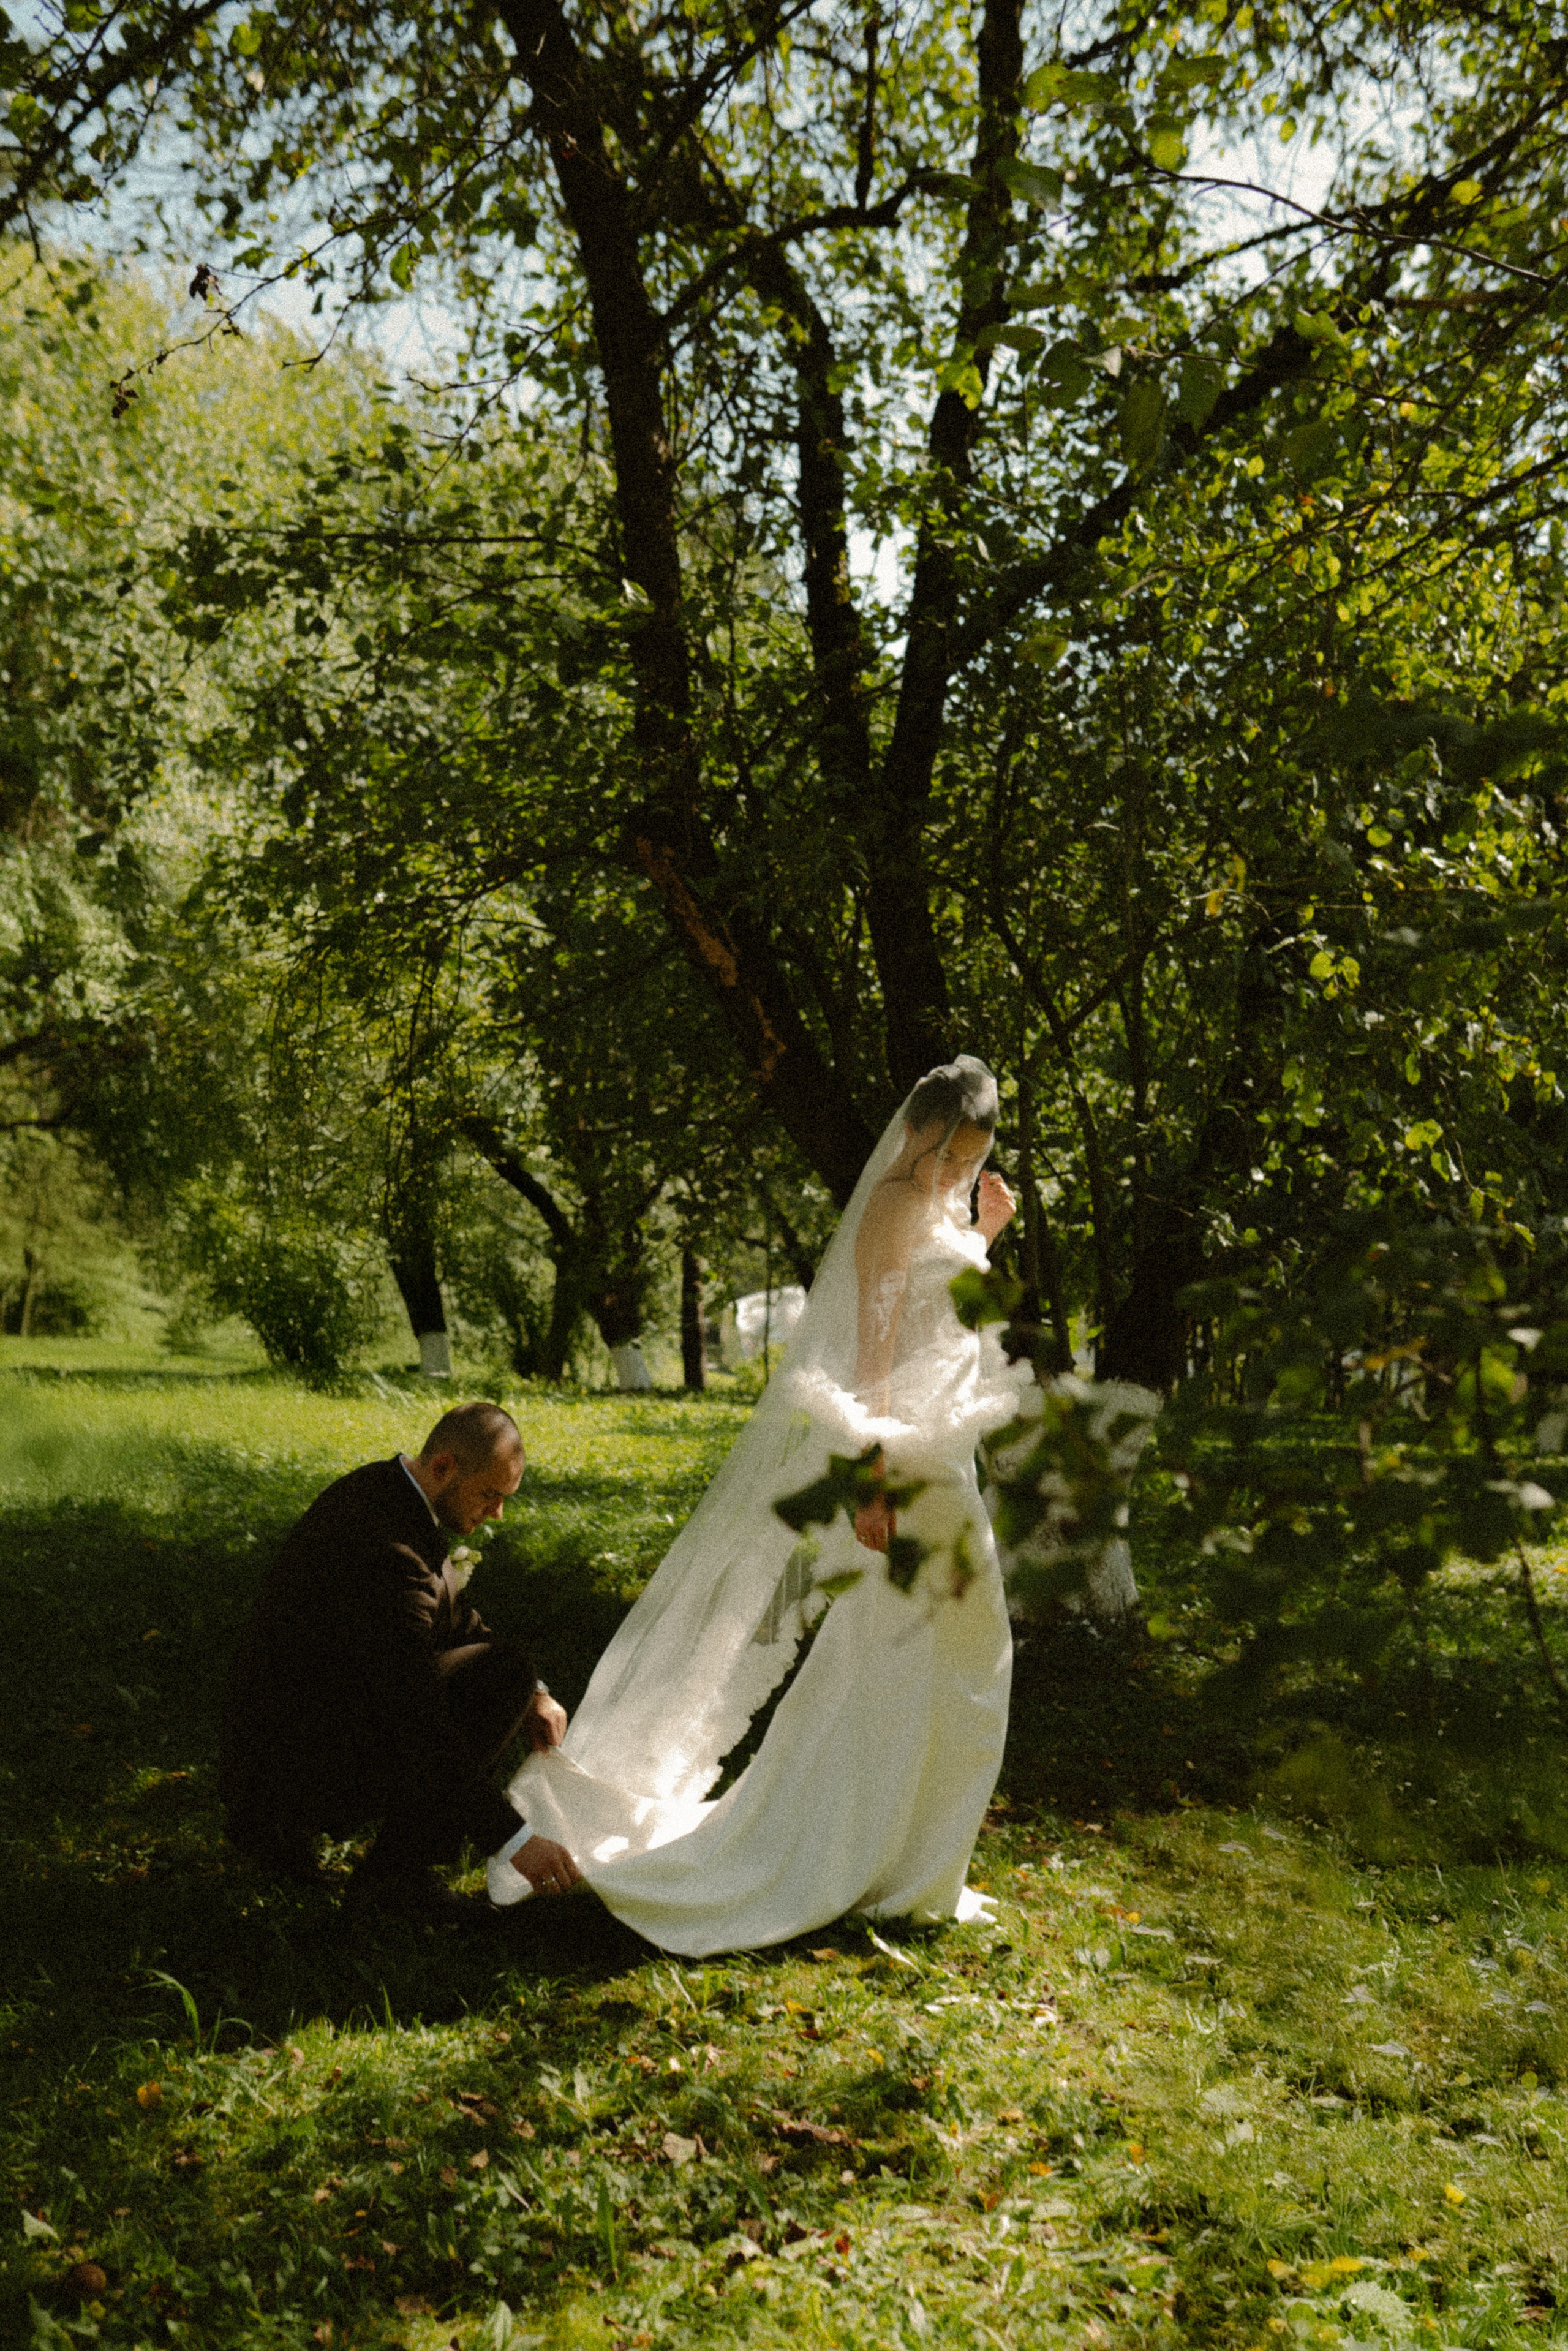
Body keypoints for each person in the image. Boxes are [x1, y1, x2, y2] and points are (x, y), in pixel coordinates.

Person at [485, 1055, 1028, 1954]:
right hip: (903, 1469)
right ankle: (857, 1860)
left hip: (946, 1459)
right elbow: (874, 1354)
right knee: (910, 1669)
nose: (955, 1175)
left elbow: (942, 1318)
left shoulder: (941, 1211)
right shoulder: (896, 1204)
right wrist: (870, 1482)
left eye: (970, 1161)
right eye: (948, 1157)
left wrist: (984, 1232)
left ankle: (915, 1868)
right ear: (916, 1134)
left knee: (943, 1670)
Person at [221, 1401, 580, 1920]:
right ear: (444, 1467)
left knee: (510, 1675)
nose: (498, 1513)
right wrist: (514, 1839)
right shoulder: (386, 1542)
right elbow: (412, 1716)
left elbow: (454, 1619)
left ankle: (381, 1870)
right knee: (499, 1679)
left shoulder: (392, 1494)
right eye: (490, 1494)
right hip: (286, 1764)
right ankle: (395, 1879)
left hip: (314, 1720)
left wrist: (536, 1694)